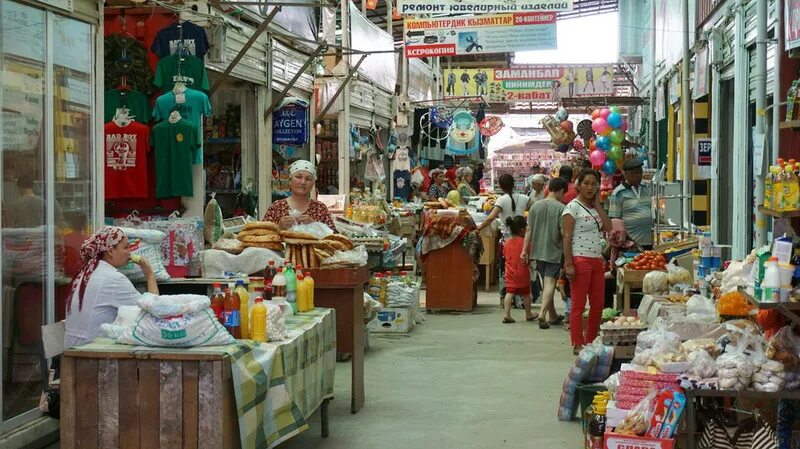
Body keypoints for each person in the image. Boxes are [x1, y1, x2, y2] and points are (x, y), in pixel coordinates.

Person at [64, 227, 159, 349]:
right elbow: (152, 311)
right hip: (90, 352)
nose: (129, 252)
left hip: (72, 349)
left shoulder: (84, 273)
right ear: (109, 251)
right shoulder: (113, 279)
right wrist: (149, 274)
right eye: (125, 247)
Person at [562, 169, 612, 354]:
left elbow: (608, 227)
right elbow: (566, 236)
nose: (590, 187)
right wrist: (569, 264)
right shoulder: (572, 207)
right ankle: (577, 342)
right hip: (580, 259)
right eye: (586, 183)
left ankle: (591, 340)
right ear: (578, 185)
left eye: (593, 184)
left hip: (597, 261)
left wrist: (598, 205)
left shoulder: (594, 207)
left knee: (598, 304)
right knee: (578, 304)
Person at [523, 177, 567, 329]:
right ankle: (542, 314)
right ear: (561, 191)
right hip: (553, 251)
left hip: (537, 251)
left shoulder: (535, 206)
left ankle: (553, 315)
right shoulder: (561, 208)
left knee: (545, 284)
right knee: (550, 284)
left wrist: (524, 250)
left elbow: (528, 230)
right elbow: (563, 233)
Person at [264, 160, 336, 231]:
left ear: (313, 184)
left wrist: (314, 225)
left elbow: (334, 239)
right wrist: (278, 228)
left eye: (308, 179)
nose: (303, 182)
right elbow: (260, 237)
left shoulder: (320, 209)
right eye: (298, 177)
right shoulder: (277, 207)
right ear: (290, 180)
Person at [608, 159, 654, 250]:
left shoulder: (645, 189)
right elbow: (614, 219)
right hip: (631, 244)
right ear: (626, 174)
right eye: (635, 173)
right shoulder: (618, 193)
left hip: (649, 241)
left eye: (640, 173)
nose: (639, 176)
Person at [501, 216, 537, 323]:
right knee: (526, 294)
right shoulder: (525, 243)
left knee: (509, 293)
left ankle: (507, 314)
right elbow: (530, 257)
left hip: (510, 272)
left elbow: (505, 256)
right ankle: (528, 314)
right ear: (522, 230)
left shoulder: (507, 243)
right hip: (522, 272)